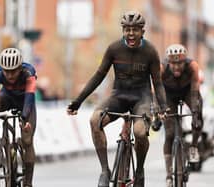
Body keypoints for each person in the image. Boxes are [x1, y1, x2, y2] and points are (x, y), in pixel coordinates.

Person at [67, 10, 167, 187]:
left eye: (135, 30)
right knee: (94, 120)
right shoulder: (114, 49)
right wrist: (78, 101)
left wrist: (163, 107)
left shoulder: (150, 51)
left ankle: (140, 171)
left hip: (141, 99)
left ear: (142, 31)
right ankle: (105, 171)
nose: (130, 34)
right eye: (127, 29)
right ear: (123, 30)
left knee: (139, 132)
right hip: (118, 97)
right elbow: (98, 76)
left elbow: (158, 83)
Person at [0, 48, 37, 187]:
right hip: (7, 97)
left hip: (25, 102)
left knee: (27, 141)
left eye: (13, 71)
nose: (9, 75)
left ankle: (28, 182)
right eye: (6, 71)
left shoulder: (29, 72)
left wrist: (25, 119)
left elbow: (29, 98)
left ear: (20, 68)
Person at [159, 44, 203, 187]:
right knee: (170, 134)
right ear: (168, 63)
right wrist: (158, 111)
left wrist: (195, 113)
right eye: (173, 64)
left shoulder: (193, 66)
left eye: (180, 64)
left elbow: (195, 91)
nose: (177, 67)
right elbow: (156, 91)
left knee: (198, 119)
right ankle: (168, 174)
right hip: (169, 96)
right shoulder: (162, 68)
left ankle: (194, 147)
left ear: (185, 62)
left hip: (188, 93)